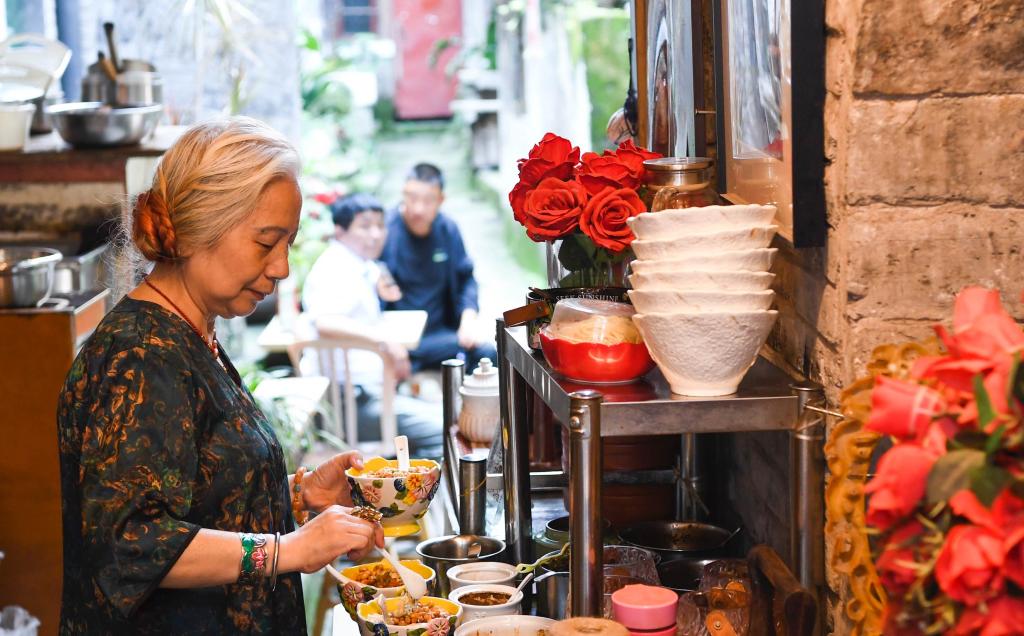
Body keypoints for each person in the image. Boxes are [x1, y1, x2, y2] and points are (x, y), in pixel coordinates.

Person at [57, 118, 383, 634]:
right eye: (265, 243)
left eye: (289, 244)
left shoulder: (190, 333)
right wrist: (287, 550)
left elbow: (199, 497)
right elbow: (131, 543)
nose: (282, 268)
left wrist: (300, 495)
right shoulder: (140, 355)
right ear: (197, 231)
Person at [301, 193, 443, 458]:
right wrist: (386, 342)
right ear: (340, 231)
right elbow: (324, 321)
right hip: (348, 406)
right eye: (365, 226)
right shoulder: (333, 269)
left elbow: (375, 277)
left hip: (368, 394)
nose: (376, 235)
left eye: (380, 225)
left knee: (440, 411)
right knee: (443, 428)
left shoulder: (356, 263)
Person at [380, 163, 496, 371]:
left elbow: (466, 278)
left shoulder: (448, 229)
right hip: (397, 337)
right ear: (403, 193)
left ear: (441, 200)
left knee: (487, 354)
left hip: (440, 333)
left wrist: (468, 319)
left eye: (427, 200)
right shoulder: (385, 230)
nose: (418, 208)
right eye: (412, 198)